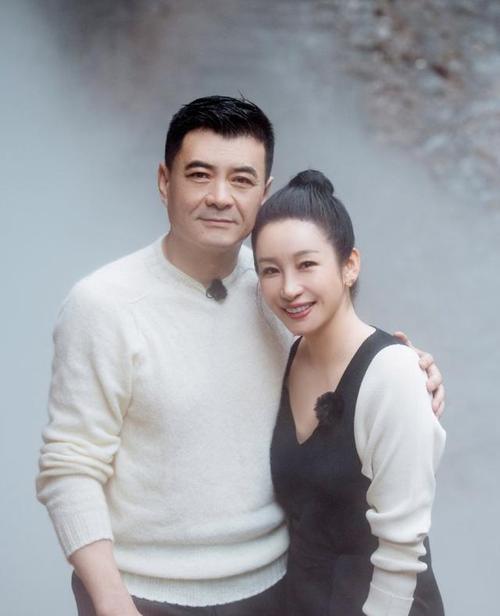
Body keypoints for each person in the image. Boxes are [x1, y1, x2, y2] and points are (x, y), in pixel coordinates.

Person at [36, 96, 444, 616]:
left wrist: (409, 368)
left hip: (278, 589)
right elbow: (69, 467)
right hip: (145, 594)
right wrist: (113, 603)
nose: (220, 197)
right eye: (200, 175)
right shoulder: (103, 305)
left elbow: (348, 362)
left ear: (263, 194)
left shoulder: (276, 288)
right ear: (164, 181)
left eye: (242, 180)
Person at [251, 169, 446, 616]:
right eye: (270, 271)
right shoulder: (286, 354)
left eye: (307, 264)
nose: (289, 288)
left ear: (349, 266)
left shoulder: (393, 374)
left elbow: (402, 554)